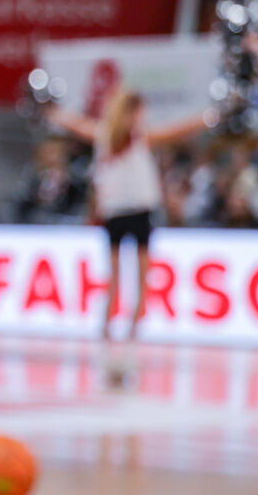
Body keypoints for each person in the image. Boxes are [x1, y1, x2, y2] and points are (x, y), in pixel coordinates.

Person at [43, 89, 213, 339]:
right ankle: (111, 325)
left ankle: (129, 326)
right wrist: (53, 114)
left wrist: (208, 117)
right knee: (119, 275)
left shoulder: (120, 137)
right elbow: (176, 130)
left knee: (136, 274)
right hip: (120, 213)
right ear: (131, 112)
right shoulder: (114, 137)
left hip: (135, 212)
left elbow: (178, 130)